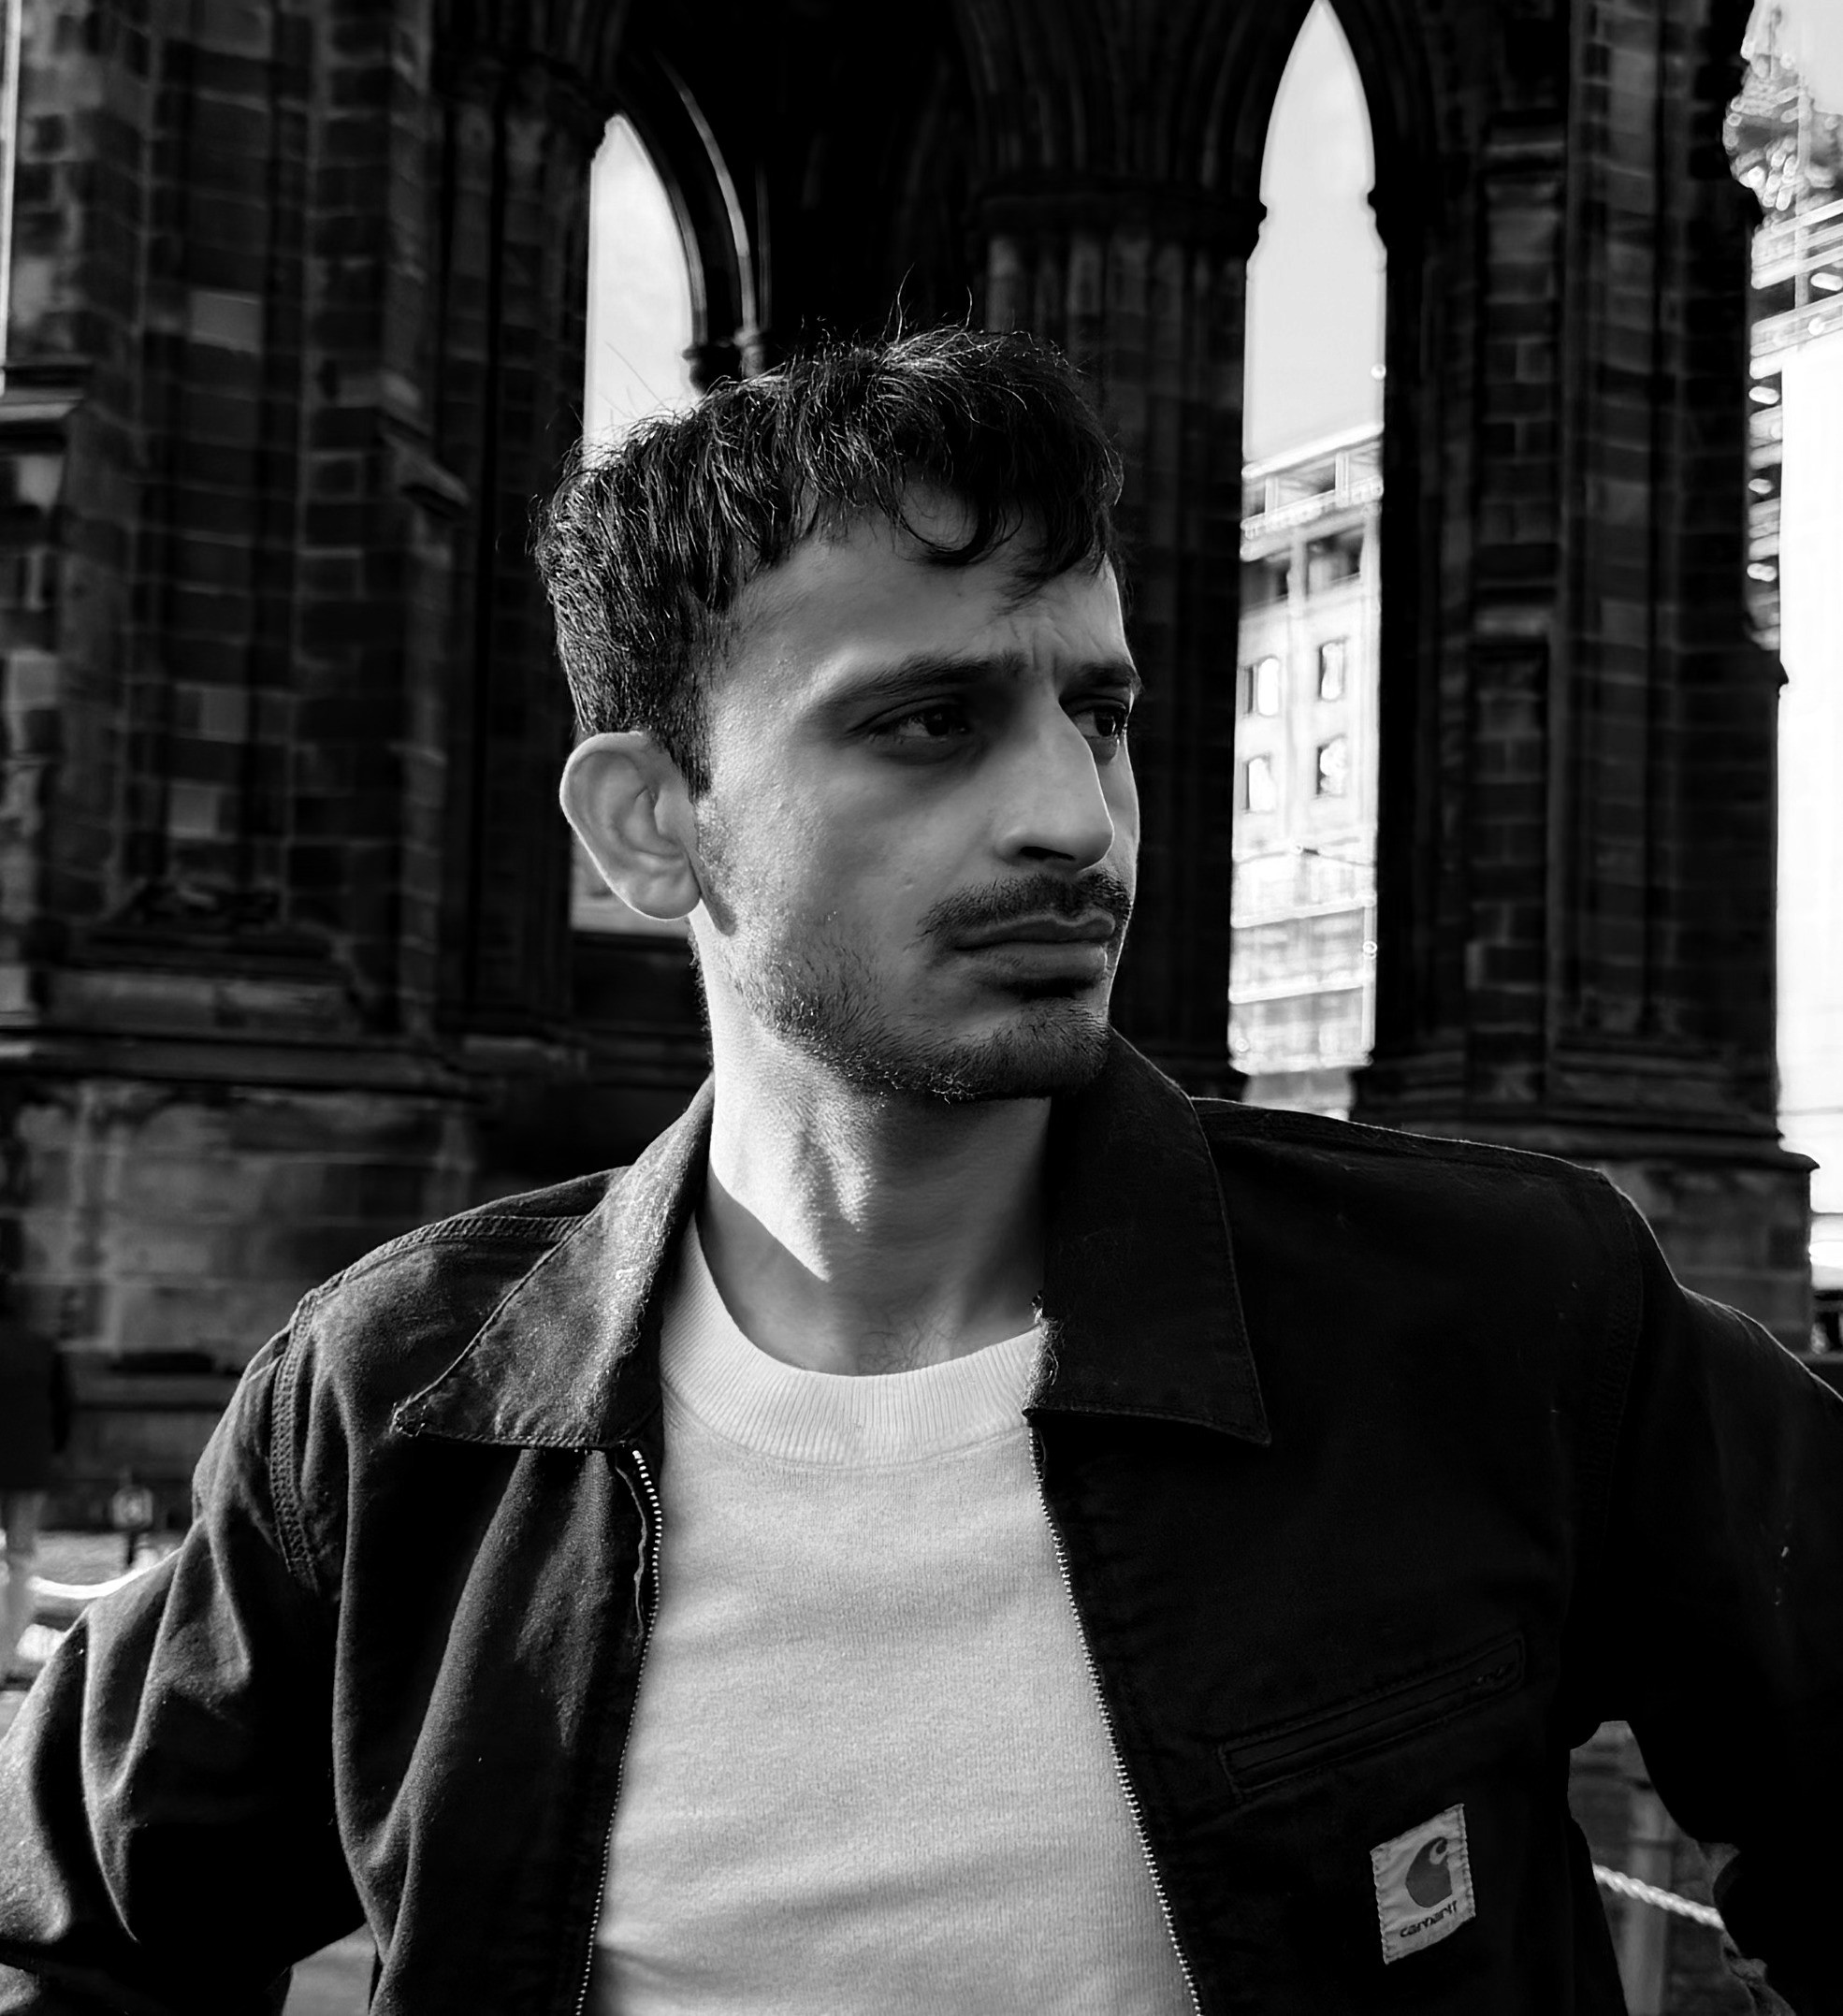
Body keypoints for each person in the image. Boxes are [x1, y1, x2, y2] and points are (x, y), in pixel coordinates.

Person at [0, 326, 1839, 2015]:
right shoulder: (392, 1404)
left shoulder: (1497, 1313)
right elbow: (72, 1948)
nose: (1072, 815)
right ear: (651, 824)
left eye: (1097, 713)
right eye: (927, 723)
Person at [0, 1326, 69, 1685]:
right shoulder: (40, 1346)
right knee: (21, 1561)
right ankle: (4, 1656)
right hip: (29, 1464)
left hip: (26, 1464)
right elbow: (62, 1410)